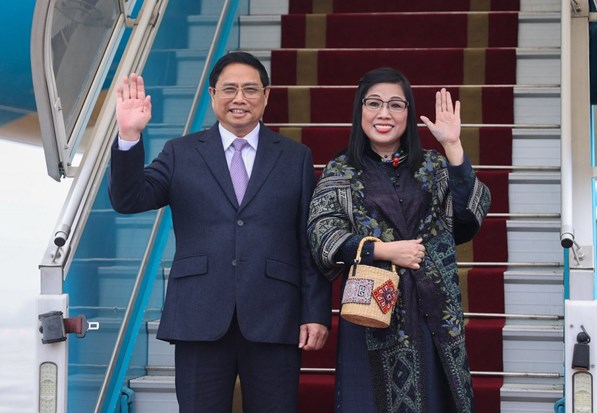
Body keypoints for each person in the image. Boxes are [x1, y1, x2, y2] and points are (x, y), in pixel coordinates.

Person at [109, 52, 332, 412]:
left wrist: (316, 311)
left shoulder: (296, 157)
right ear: (212, 95)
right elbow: (128, 199)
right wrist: (129, 135)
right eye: (229, 89)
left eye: (250, 89)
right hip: (199, 313)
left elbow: (309, 242)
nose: (239, 98)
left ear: (266, 96)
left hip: (275, 314)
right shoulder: (180, 152)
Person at [307, 67, 491, 413]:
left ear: (408, 112)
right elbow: (322, 236)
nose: (384, 114)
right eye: (374, 103)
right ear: (360, 109)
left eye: (396, 105)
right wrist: (383, 250)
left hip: (432, 311)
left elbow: (467, 220)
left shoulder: (432, 166)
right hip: (372, 313)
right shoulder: (341, 170)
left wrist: (453, 145)